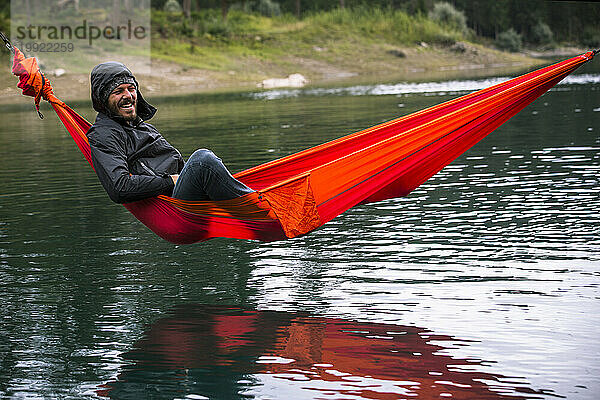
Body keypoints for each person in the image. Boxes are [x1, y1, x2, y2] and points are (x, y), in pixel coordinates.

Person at [87, 62, 254, 204]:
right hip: (174, 205)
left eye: (131, 89)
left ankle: (256, 201)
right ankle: (256, 206)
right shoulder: (104, 134)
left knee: (207, 166)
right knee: (202, 160)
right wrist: (171, 181)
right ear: (103, 100)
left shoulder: (144, 128)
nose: (128, 96)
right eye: (118, 92)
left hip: (186, 194)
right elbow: (120, 188)